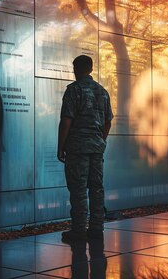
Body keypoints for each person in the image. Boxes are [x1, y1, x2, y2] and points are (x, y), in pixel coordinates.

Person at [57, 55, 113, 243]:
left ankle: (79, 230)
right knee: (96, 188)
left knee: (78, 188)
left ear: (76, 68)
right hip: (96, 148)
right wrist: (99, 141)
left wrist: (61, 146)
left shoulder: (74, 90)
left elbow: (66, 121)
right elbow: (108, 122)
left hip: (78, 148)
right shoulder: (102, 92)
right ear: (90, 68)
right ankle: (97, 228)